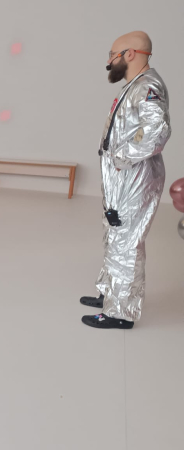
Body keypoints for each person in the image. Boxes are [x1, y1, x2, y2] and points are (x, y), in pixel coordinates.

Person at [79, 31, 171, 330]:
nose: (109, 61)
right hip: (122, 178)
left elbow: (157, 131)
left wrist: (120, 158)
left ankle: (120, 312)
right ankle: (109, 294)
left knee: (127, 242)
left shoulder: (148, 87)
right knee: (115, 232)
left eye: (113, 55)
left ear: (130, 54)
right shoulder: (134, 86)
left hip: (134, 176)